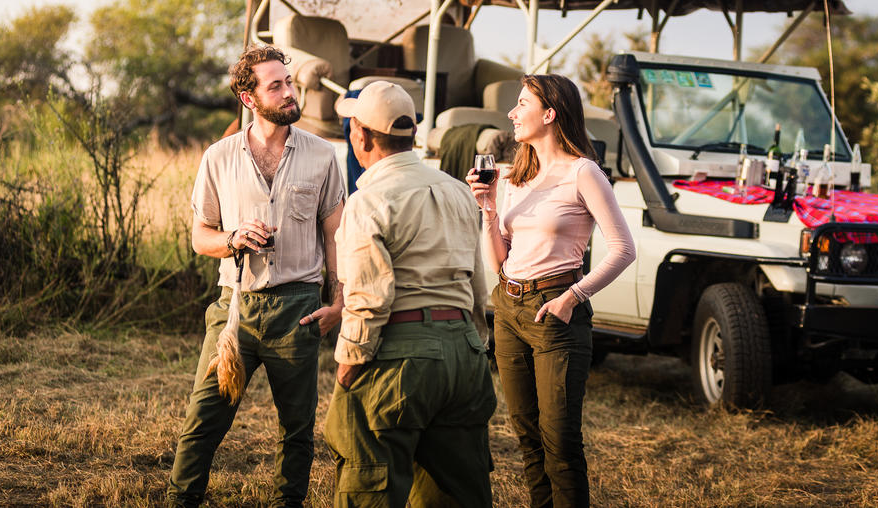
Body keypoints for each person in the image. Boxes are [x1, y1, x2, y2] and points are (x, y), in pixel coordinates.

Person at [166, 45, 345, 508]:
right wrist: (232, 238)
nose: (289, 92)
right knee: (203, 420)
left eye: (289, 82)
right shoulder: (218, 158)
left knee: (298, 428)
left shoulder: (323, 156)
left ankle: (291, 502)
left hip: (299, 310)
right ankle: (181, 500)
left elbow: (336, 235)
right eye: (277, 86)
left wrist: (338, 300)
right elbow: (199, 238)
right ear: (249, 98)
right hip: (235, 309)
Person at [325, 80, 496, 508]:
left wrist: (349, 362)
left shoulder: (369, 200)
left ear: (360, 135)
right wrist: (476, 345)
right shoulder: (459, 191)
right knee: (457, 490)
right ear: (413, 134)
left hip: (400, 355)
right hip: (464, 351)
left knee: (371, 484)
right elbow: (477, 283)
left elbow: (369, 295)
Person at [467, 73, 635, 508]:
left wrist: (571, 298)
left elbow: (623, 249)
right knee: (526, 436)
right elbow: (499, 260)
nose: (512, 113)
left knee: (559, 441)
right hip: (507, 306)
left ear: (550, 113)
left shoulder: (584, 173)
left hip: (555, 311)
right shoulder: (514, 174)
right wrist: (488, 208)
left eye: (521, 103)